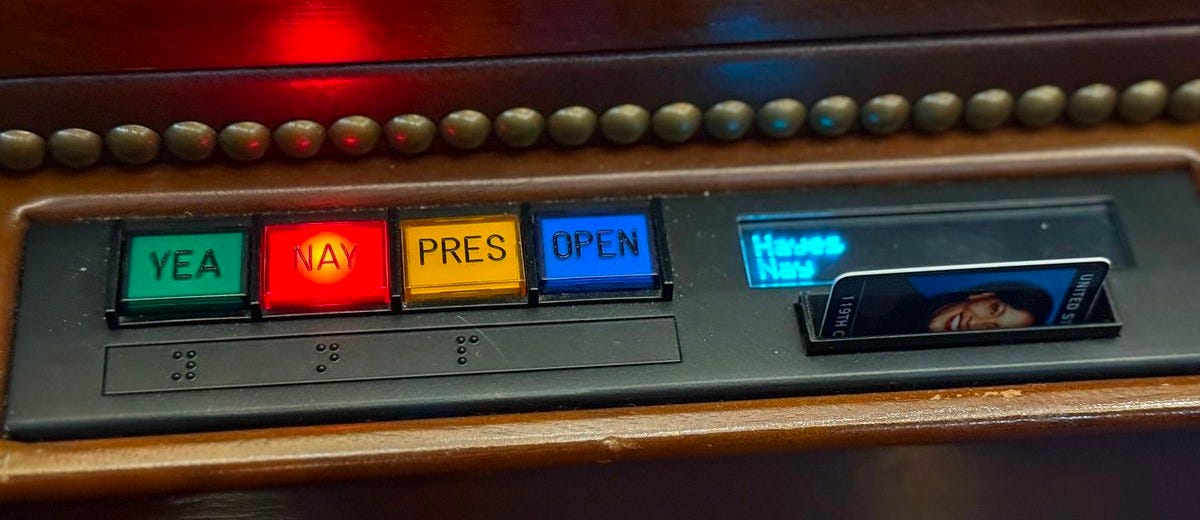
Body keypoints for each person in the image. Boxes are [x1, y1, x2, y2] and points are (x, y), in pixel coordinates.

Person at [850, 279, 1054, 336]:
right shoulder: (884, 292)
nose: (979, 325)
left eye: (994, 327)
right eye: (994, 310)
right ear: (982, 295)